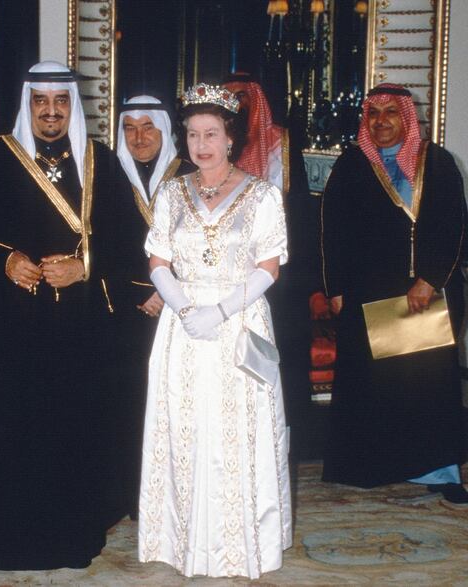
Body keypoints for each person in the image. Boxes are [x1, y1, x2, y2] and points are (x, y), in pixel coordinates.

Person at [0, 61, 137, 570]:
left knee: (73, 429)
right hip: (9, 331)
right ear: (27, 104)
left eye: (60, 102)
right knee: (13, 429)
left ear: (72, 106)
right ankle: (3, 534)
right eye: (41, 101)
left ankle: (71, 532)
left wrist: (85, 267)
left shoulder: (101, 161)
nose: (51, 112)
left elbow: (135, 242)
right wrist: (3, 260)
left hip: (80, 330)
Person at [140, 83, 292, 579]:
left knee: (236, 432)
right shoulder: (170, 192)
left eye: (211, 134)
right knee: (184, 429)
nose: (200, 145)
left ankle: (237, 543)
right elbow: (158, 259)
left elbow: (269, 267)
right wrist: (185, 310)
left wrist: (220, 311)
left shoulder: (262, 195)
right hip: (182, 327)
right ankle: (181, 540)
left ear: (231, 139)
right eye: (191, 135)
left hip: (239, 319)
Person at [320, 83, 468, 501]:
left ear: (408, 117)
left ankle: (439, 475)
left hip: (425, 293)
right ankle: (377, 467)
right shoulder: (350, 165)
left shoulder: (437, 162)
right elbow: (333, 231)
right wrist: (337, 289)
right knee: (374, 384)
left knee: (428, 383)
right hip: (367, 294)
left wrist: (430, 279)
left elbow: (453, 225)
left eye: (391, 112)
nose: (381, 121)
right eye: (373, 113)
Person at [223, 73, 318, 444]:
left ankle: (283, 439)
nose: (238, 104)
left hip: (281, 277)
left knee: (282, 358)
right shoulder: (213, 144)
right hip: (227, 276)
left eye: (244, 96)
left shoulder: (283, 143)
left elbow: (302, 216)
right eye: (230, 97)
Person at [114, 95, 196, 517]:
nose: (139, 137)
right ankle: (130, 495)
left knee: (177, 402)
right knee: (129, 404)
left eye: (149, 127)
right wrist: (139, 291)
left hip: (181, 305)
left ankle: (177, 498)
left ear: (165, 131)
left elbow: (202, 242)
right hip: (125, 311)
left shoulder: (190, 175)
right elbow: (102, 242)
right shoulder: (109, 175)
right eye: (130, 128)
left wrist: (168, 290)